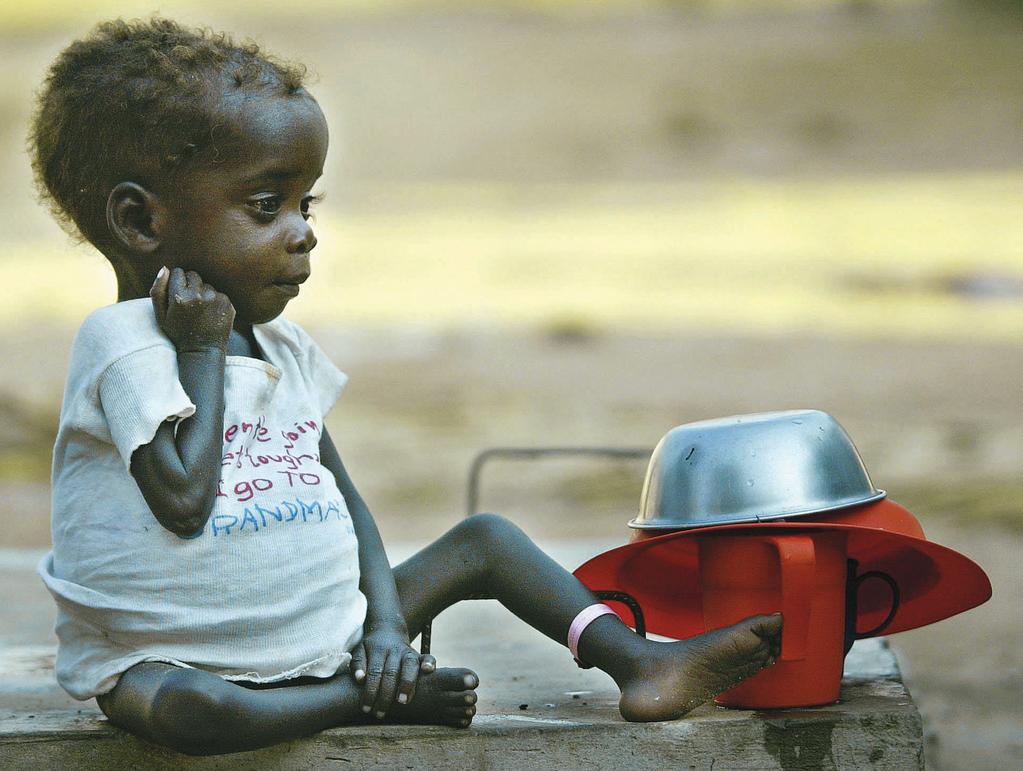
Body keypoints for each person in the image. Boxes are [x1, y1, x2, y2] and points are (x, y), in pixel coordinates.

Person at [30, 18, 783, 756]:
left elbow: (342, 498)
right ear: (139, 220)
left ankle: (637, 660)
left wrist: (386, 626)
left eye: (306, 203)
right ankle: (364, 699)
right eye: (267, 206)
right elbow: (183, 500)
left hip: (327, 633)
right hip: (173, 660)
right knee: (190, 710)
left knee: (484, 541)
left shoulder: (279, 347)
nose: (302, 232)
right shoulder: (122, 345)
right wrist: (199, 351)